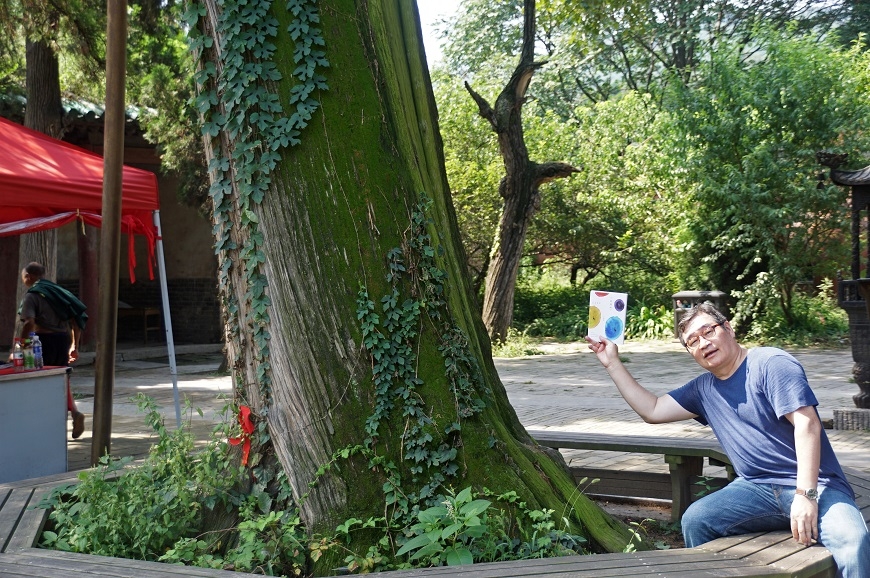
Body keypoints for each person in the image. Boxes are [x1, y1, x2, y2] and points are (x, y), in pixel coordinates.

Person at [586, 302, 870, 578]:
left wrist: (805, 496)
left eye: (708, 331)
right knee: (697, 519)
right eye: (693, 341)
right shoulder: (702, 390)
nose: (703, 343)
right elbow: (653, 410)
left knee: (853, 541)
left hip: (816, 485)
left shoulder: (771, 363)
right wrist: (612, 362)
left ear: (729, 328)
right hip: (756, 488)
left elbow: (807, 425)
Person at [17, 262, 88, 439]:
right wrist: (75, 346)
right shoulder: (58, 292)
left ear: (28, 277)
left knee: (43, 380)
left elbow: (29, 323)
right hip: (62, 339)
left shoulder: (32, 295)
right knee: (62, 378)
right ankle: (74, 412)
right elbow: (76, 319)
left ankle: (46, 422)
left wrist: (23, 344)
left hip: (43, 342)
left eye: (23, 278)